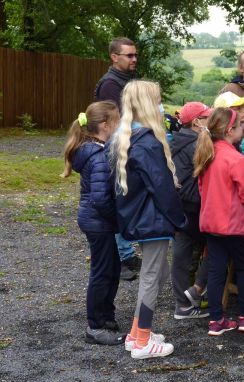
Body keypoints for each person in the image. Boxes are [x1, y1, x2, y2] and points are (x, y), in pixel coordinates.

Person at [108, 80, 186, 359]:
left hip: (142, 219)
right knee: (152, 278)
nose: (161, 104)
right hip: (154, 220)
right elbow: (163, 189)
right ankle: (142, 341)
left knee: (156, 274)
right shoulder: (149, 143)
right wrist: (179, 221)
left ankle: (136, 332)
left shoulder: (127, 139)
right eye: (158, 99)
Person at [61, 101, 125, 346]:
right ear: (106, 125)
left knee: (112, 269)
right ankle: (96, 326)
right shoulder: (98, 155)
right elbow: (100, 199)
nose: (120, 125)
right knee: (102, 272)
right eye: (117, 121)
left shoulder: (96, 149)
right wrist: (117, 220)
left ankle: (106, 316)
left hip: (97, 220)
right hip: (98, 221)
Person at [193, 108, 244, 336]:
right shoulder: (235, 158)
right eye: (241, 124)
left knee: (216, 269)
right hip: (232, 224)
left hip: (210, 222)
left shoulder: (207, 154)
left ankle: (216, 319)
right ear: (230, 130)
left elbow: (202, 189)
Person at [94, 37, 140, 281]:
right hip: (116, 149)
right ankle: (123, 256)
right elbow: (114, 122)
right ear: (114, 57)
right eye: (128, 55)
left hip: (129, 146)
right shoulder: (111, 84)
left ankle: (126, 252)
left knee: (126, 198)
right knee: (118, 198)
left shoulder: (127, 80)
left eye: (135, 55)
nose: (134, 59)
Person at [170, 102, 214, 320]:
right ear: (197, 122)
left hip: (178, 207)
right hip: (195, 206)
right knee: (220, 244)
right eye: (207, 117)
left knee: (180, 254)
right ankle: (197, 291)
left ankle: (183, 304)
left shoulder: (176, 139)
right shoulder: (198, 143)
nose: (210, 121)